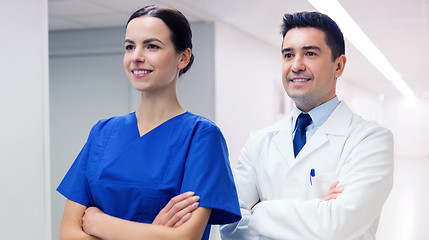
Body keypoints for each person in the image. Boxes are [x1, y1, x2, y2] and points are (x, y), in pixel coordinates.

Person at [57, 5, 241, 240]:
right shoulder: (102, 133)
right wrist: (153, 232)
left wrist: (97, 222)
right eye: (129, 47)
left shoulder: (201, 136)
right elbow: (67, 234)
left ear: (183, 57)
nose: (136, 57)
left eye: (152, 46)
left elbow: (185, 237)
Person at [220, 11, 394, 240]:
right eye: (288, 55)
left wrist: (258, 210)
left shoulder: (371, 140)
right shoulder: (258, 141)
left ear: (339, 66)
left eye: (310, 53)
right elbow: (230, 226)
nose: (296, 65)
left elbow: (337, 226)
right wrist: (318, 210)